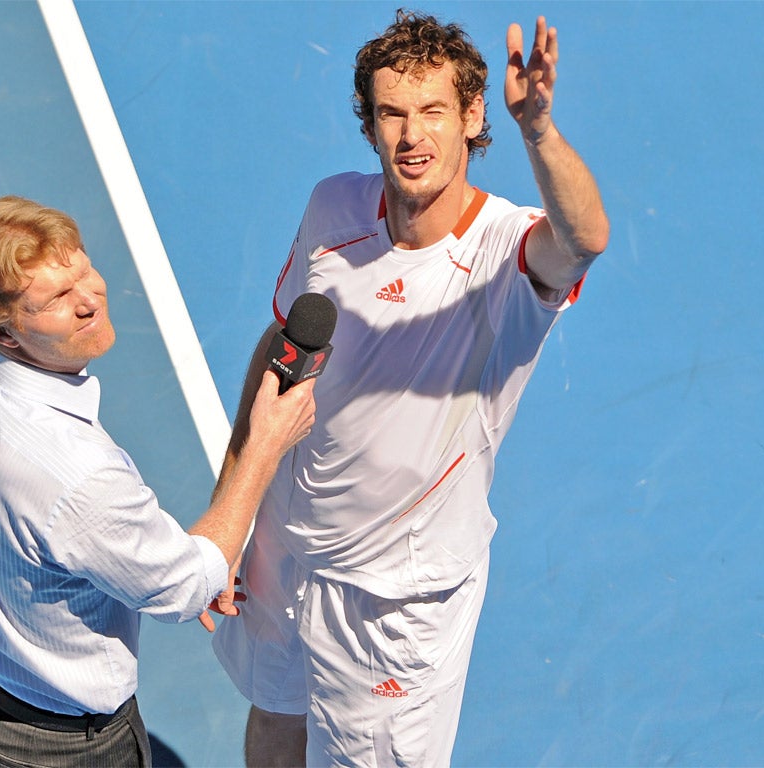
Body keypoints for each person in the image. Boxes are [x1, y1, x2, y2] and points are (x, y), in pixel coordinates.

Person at [210, 10, 609, 767]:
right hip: (286, 545)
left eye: (433, 112)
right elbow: (284, 345)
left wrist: (541, 133)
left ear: (473, 117)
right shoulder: (332, 209)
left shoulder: (506, 252)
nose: (411, 136)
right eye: (392, 113)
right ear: (368, 124)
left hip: (395, 598)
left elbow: (584, 240)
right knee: (275, 721)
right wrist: (234, 511)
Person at [0, 195, 316, 767]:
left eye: (82, 271)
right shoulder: (76, 476)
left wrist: (162, 559)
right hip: (46, 749)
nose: (89, 300)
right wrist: (264, 445)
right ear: (4, 333)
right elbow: (187, 588)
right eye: (55, 299)